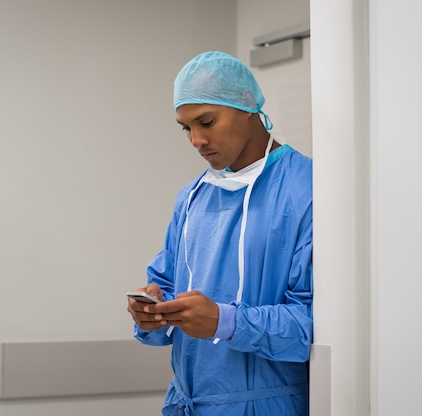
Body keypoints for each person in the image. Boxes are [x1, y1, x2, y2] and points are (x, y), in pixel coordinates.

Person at [127, 51, 313, 415]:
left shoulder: (306, 190)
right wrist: (152, 310)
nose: (196, 140)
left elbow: (316, 327)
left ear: (246, 106)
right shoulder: (193, 197)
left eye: (206, 122)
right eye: (186, 128)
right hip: (186, 404)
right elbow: (164, 282)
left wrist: (225, 321)